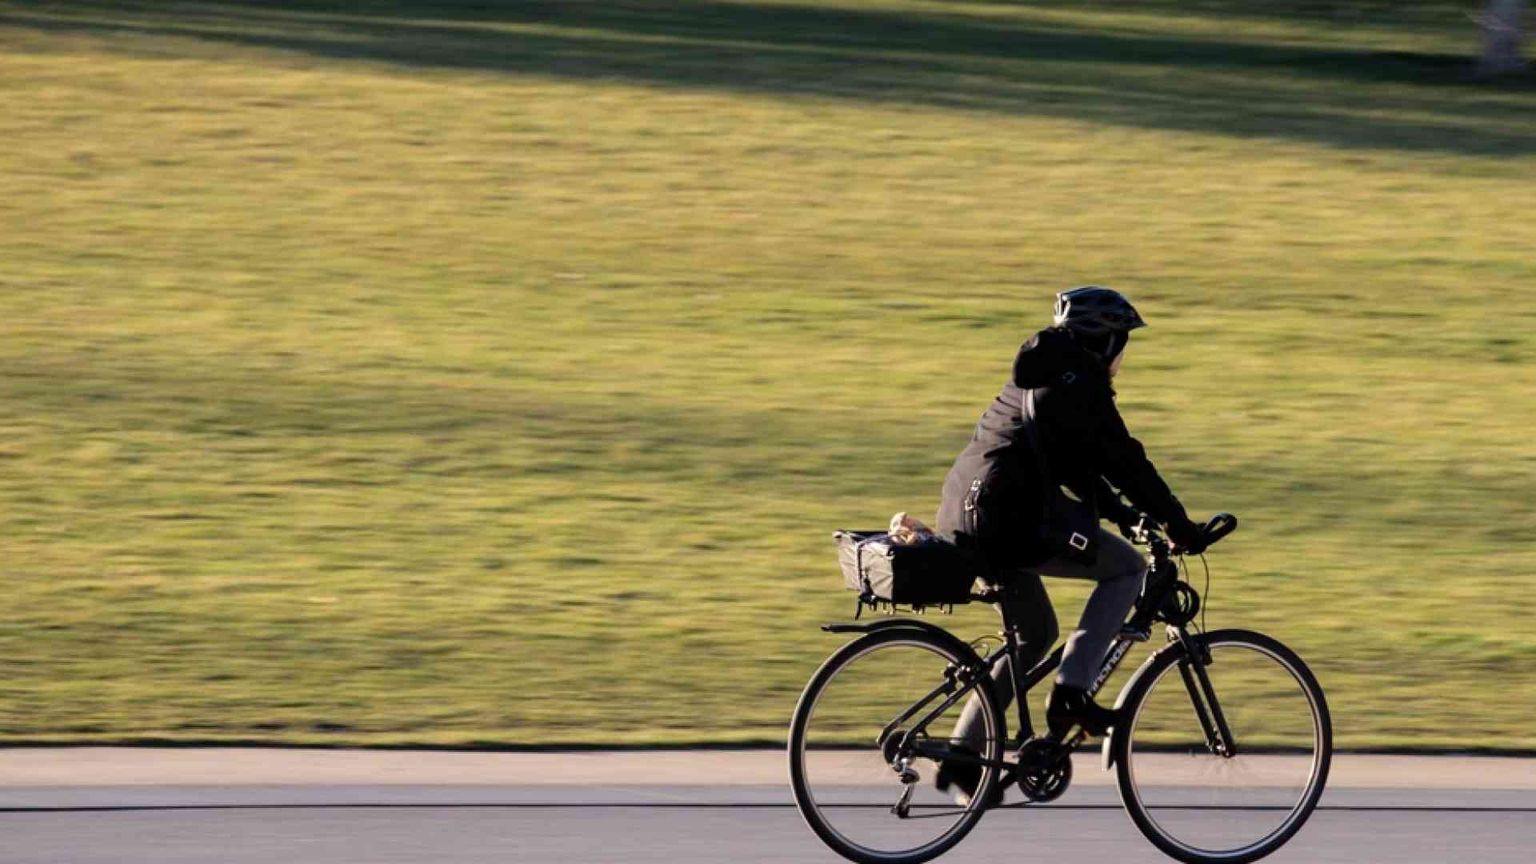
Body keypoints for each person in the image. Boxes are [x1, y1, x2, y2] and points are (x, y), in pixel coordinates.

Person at [932, 286, 1208, 802]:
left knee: (1035, 633)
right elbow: (1124, 460)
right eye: (1122, 343)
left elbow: (1077, 464)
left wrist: (1125, 515)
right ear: (1103, 342)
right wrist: (1179, 524)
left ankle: (963, 756)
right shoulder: (1078, 384)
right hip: (1006, 518)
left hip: (968, 512)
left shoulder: (1048, 376)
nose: (1123, 356)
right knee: (1126, 569)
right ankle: (1070, 697)